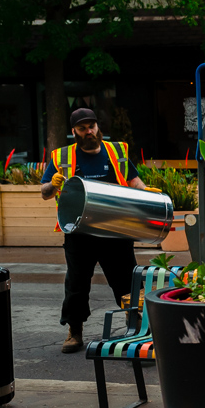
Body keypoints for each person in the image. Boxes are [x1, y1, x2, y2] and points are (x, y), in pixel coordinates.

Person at [41, 108, 149, 353]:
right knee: (77, 283)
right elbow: (45, 194)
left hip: (115, 230)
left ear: (98, 127)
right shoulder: (62, 157)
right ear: (74, 132)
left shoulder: (116, 151)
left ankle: (136, 325)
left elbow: (133, 180)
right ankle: (74, 331)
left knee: (126, 280)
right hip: (79, 232)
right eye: (82, 128)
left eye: (92, 126)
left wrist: (146, 191)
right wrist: (53, 184)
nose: (88, 131)